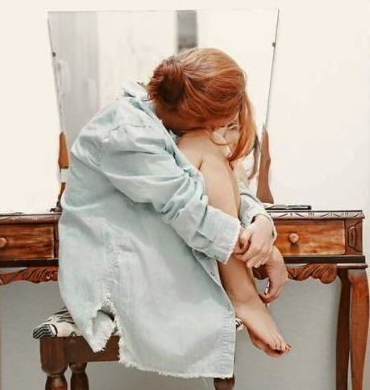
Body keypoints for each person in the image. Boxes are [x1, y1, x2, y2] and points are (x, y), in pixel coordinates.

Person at [57, 47, 289, 379]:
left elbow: (228, 184)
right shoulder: (126, 131)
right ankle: (244, 295)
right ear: (203, 118)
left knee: (211, 153)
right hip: (114, 276)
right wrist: (256, 248)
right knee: (208, 150)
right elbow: (187, 209)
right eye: (224, 123)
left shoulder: (167, 119)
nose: (227, 129)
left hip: (155, 252)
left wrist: (261, 223)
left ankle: (243, 294)